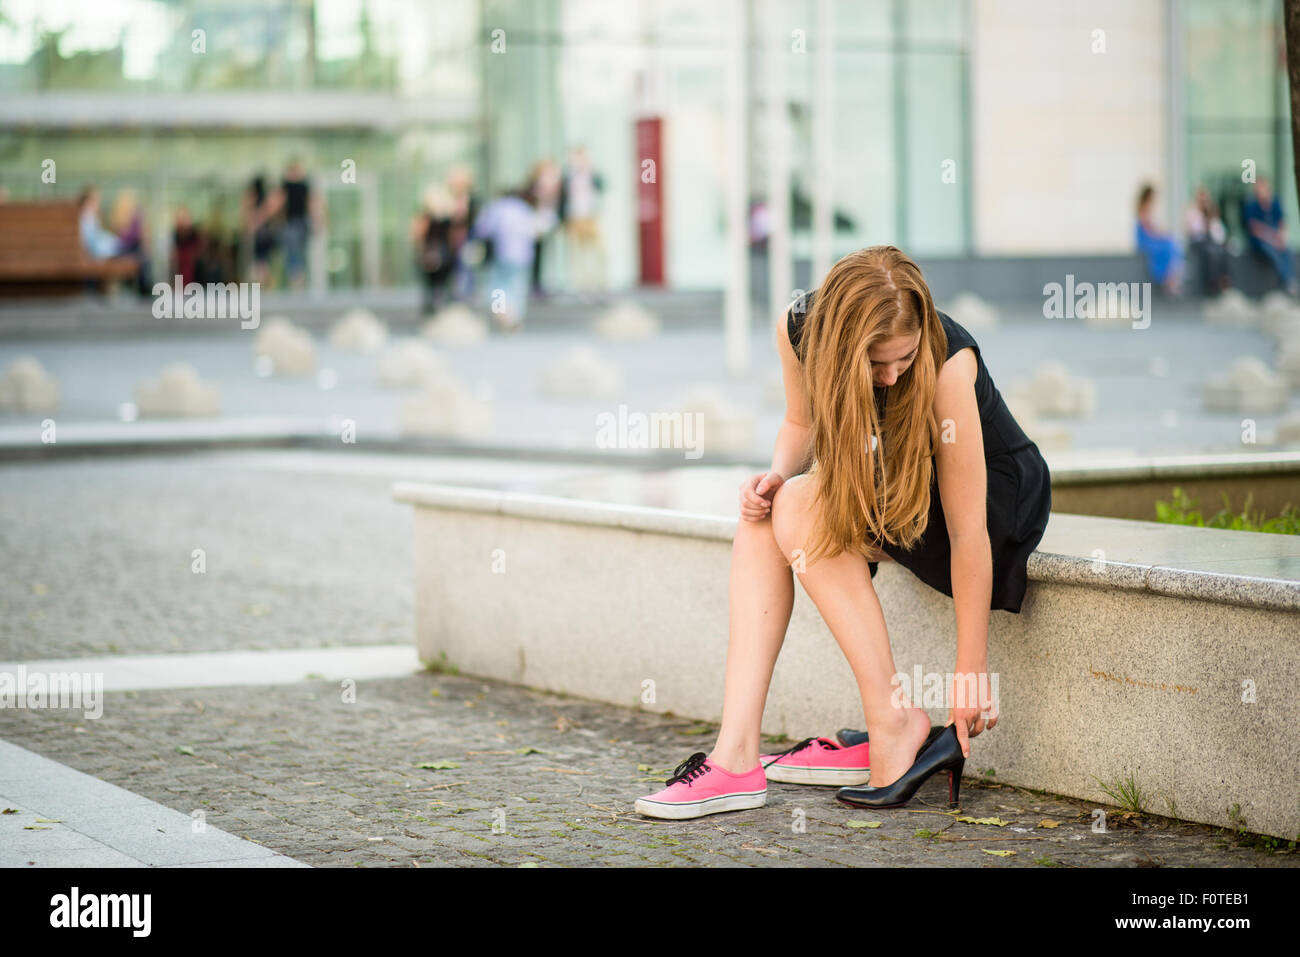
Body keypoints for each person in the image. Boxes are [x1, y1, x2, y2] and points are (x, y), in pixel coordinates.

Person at [634, 246, 1053, 819]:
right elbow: (800, 423)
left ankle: (894, 722)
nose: (891, 376)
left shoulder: (947, 361)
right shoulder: (799, 329)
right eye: (874, 364)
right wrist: (775, 475)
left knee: (802, 503)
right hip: (901, 487)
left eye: (902, 359)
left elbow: (969, 530)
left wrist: (971, 668)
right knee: (768, 512)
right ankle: (735, 757)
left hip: (995, 506)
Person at [470, 185, 538, 333]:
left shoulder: (496, 208)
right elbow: (534, 231)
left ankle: (500, 314)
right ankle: (516, 317)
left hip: (501, 254)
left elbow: (482, 229)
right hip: (524, 255)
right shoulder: (524, 209)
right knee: (518, 286)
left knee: (498, 285)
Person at [558, 146, 606, 302]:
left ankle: (597, 284)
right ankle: (581, 286)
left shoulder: (592, 175)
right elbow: (563, 198)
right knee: (576, 253)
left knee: (595, 251)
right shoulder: (568, 177)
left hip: (590, 217)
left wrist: (591, 171)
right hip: (574, 217)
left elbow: (602, 187)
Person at [1242, 175, 1298, 294]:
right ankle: (1285, 282)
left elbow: (1282, 222)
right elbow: (1255, 229)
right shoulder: (1251, 205)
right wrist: (1273, 239)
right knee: (1273, 253)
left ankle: (1288, 281)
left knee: (1287, 251)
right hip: (1260, 243)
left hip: (1275, 240)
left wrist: (1281, 237)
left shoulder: (1275, 203)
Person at [411, 184, 455, 315]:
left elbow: (417, 237)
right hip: (438, 255)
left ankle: (436, 309)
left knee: (434, 286)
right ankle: (437, 309)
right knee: (437, 286)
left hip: (436, 255)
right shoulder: (431, 219)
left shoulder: (435, 219)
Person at [1135, 183, 1183, 295]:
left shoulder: (1148, 209)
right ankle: (1168, 279)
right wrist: (1162, 234)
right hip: (1146, 240)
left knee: (1171, 243)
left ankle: (1172, 276)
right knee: (1168, 246)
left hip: (1151, 238)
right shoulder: (1143, 209)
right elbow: (1149, 229)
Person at [525, 157, 563, 298]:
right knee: (535, 252)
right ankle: (534, 283)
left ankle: (545, 281)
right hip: (535, 221)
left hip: (548, 221)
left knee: (547, 252)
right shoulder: (534, 187)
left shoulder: (556, 186)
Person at [1184, 185, 1230, 295]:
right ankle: (1211, 284)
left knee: (1222, 251)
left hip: (1210, 242)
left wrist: (1210, 217)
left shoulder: (1211, 213)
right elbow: (1193, 231)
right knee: (1211, 253)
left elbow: (1219, 232)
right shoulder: (1192, 212)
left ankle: (1224, 281)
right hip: (1198, 242)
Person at [108, 188, 151, 295]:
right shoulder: (118, 215)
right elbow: (118, 236)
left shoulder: (137, 214)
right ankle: (142, 287)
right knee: (141, 258)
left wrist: (146, 244)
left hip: (135, 247)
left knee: (144, 258)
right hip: (124, 248)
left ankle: (144, 287)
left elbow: (144, 233)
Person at [241, 175, 277, 287]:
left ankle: (263, 284)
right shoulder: (256, 201)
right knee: (259, 263)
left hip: (262, 238)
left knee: (261, 263)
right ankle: (262, 284)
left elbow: (251, 220)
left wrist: (254, 223)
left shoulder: (263, 202)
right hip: (259, 238)